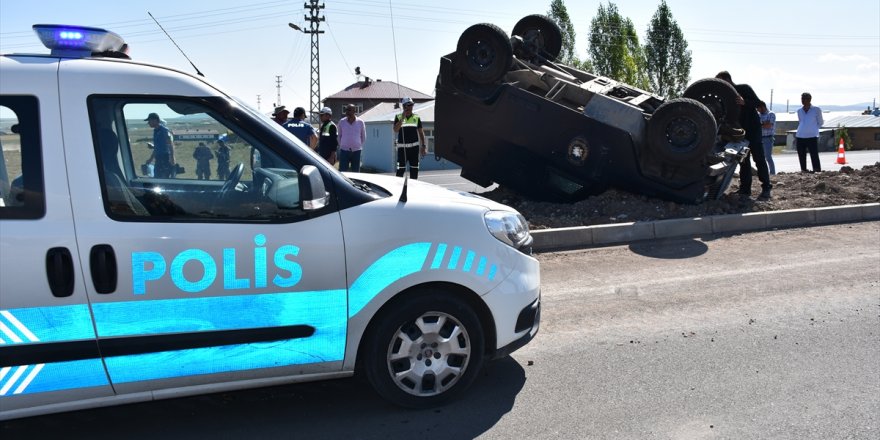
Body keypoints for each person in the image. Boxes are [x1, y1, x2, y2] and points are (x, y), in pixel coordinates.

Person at [715, 71, 772, 200]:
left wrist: (744, 101)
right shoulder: (723, 96)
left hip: (753, 130)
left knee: (759, 159)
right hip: (739, 133)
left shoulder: (743, 88)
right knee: (743, 161)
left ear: (727, 80)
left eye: (721, 81)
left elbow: (759, 103)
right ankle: (745, 189)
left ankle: (766, 188)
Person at [393, 97, 427, 179]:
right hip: (402, 150)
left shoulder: (416, 117)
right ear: (404, 106)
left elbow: (421, 132)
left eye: (412, 105)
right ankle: (398, 189)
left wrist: (423, 146)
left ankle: (413, 189)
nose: (411, 107)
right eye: (409, 105)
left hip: (414, 150)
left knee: (414, 171)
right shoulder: (398, 116)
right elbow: (395, 130)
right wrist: (402, 119)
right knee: (400, 171)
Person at [795, 92, 824, 173]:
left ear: (809, 100)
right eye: (802, 99)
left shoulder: (816, 109)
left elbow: (820, 122)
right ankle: (803, 169)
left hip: (812, 135)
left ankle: (817, 169)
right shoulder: (799, 111)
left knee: (814, 154)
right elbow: (801, 121)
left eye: (805, 99)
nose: (803, 101)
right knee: (801, 154)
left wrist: (813, 128)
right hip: (800, 135)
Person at [144, 112, 175, 178]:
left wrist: (172, 158)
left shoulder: (164, 131)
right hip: (158, 158)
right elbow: (157, 148)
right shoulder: (156, 131)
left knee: (164, 177)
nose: (148, 123)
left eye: (149, 121)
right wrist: (150, 159)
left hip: (165, 158)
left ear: (155, 120)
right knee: (157, 177)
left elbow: (170, 145)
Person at [337, 104, 366, 172]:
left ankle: (355, 183)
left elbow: (363, 136)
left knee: (355, 172)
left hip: (356, 151)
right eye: (346, 110)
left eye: (349, 110)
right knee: (343, 172)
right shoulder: (342, 122)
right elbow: (339, 135)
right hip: (344, 151)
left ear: (354, 111)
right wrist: (342, 145)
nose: (347, 112)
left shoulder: (360, 122)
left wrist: (358, 145)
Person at [757, 101, 776, 175]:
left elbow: (768, 126)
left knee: (768, 157)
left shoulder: (771, 114)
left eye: (758, 108)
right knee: (761, 157)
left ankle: (772, 173)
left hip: (768, 138)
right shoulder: (758, 115)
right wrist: (764, 123)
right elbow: (757, 125)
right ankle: (764, 173)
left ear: (763, 107)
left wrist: (761, 124)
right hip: (760, 137)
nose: (758, 110)